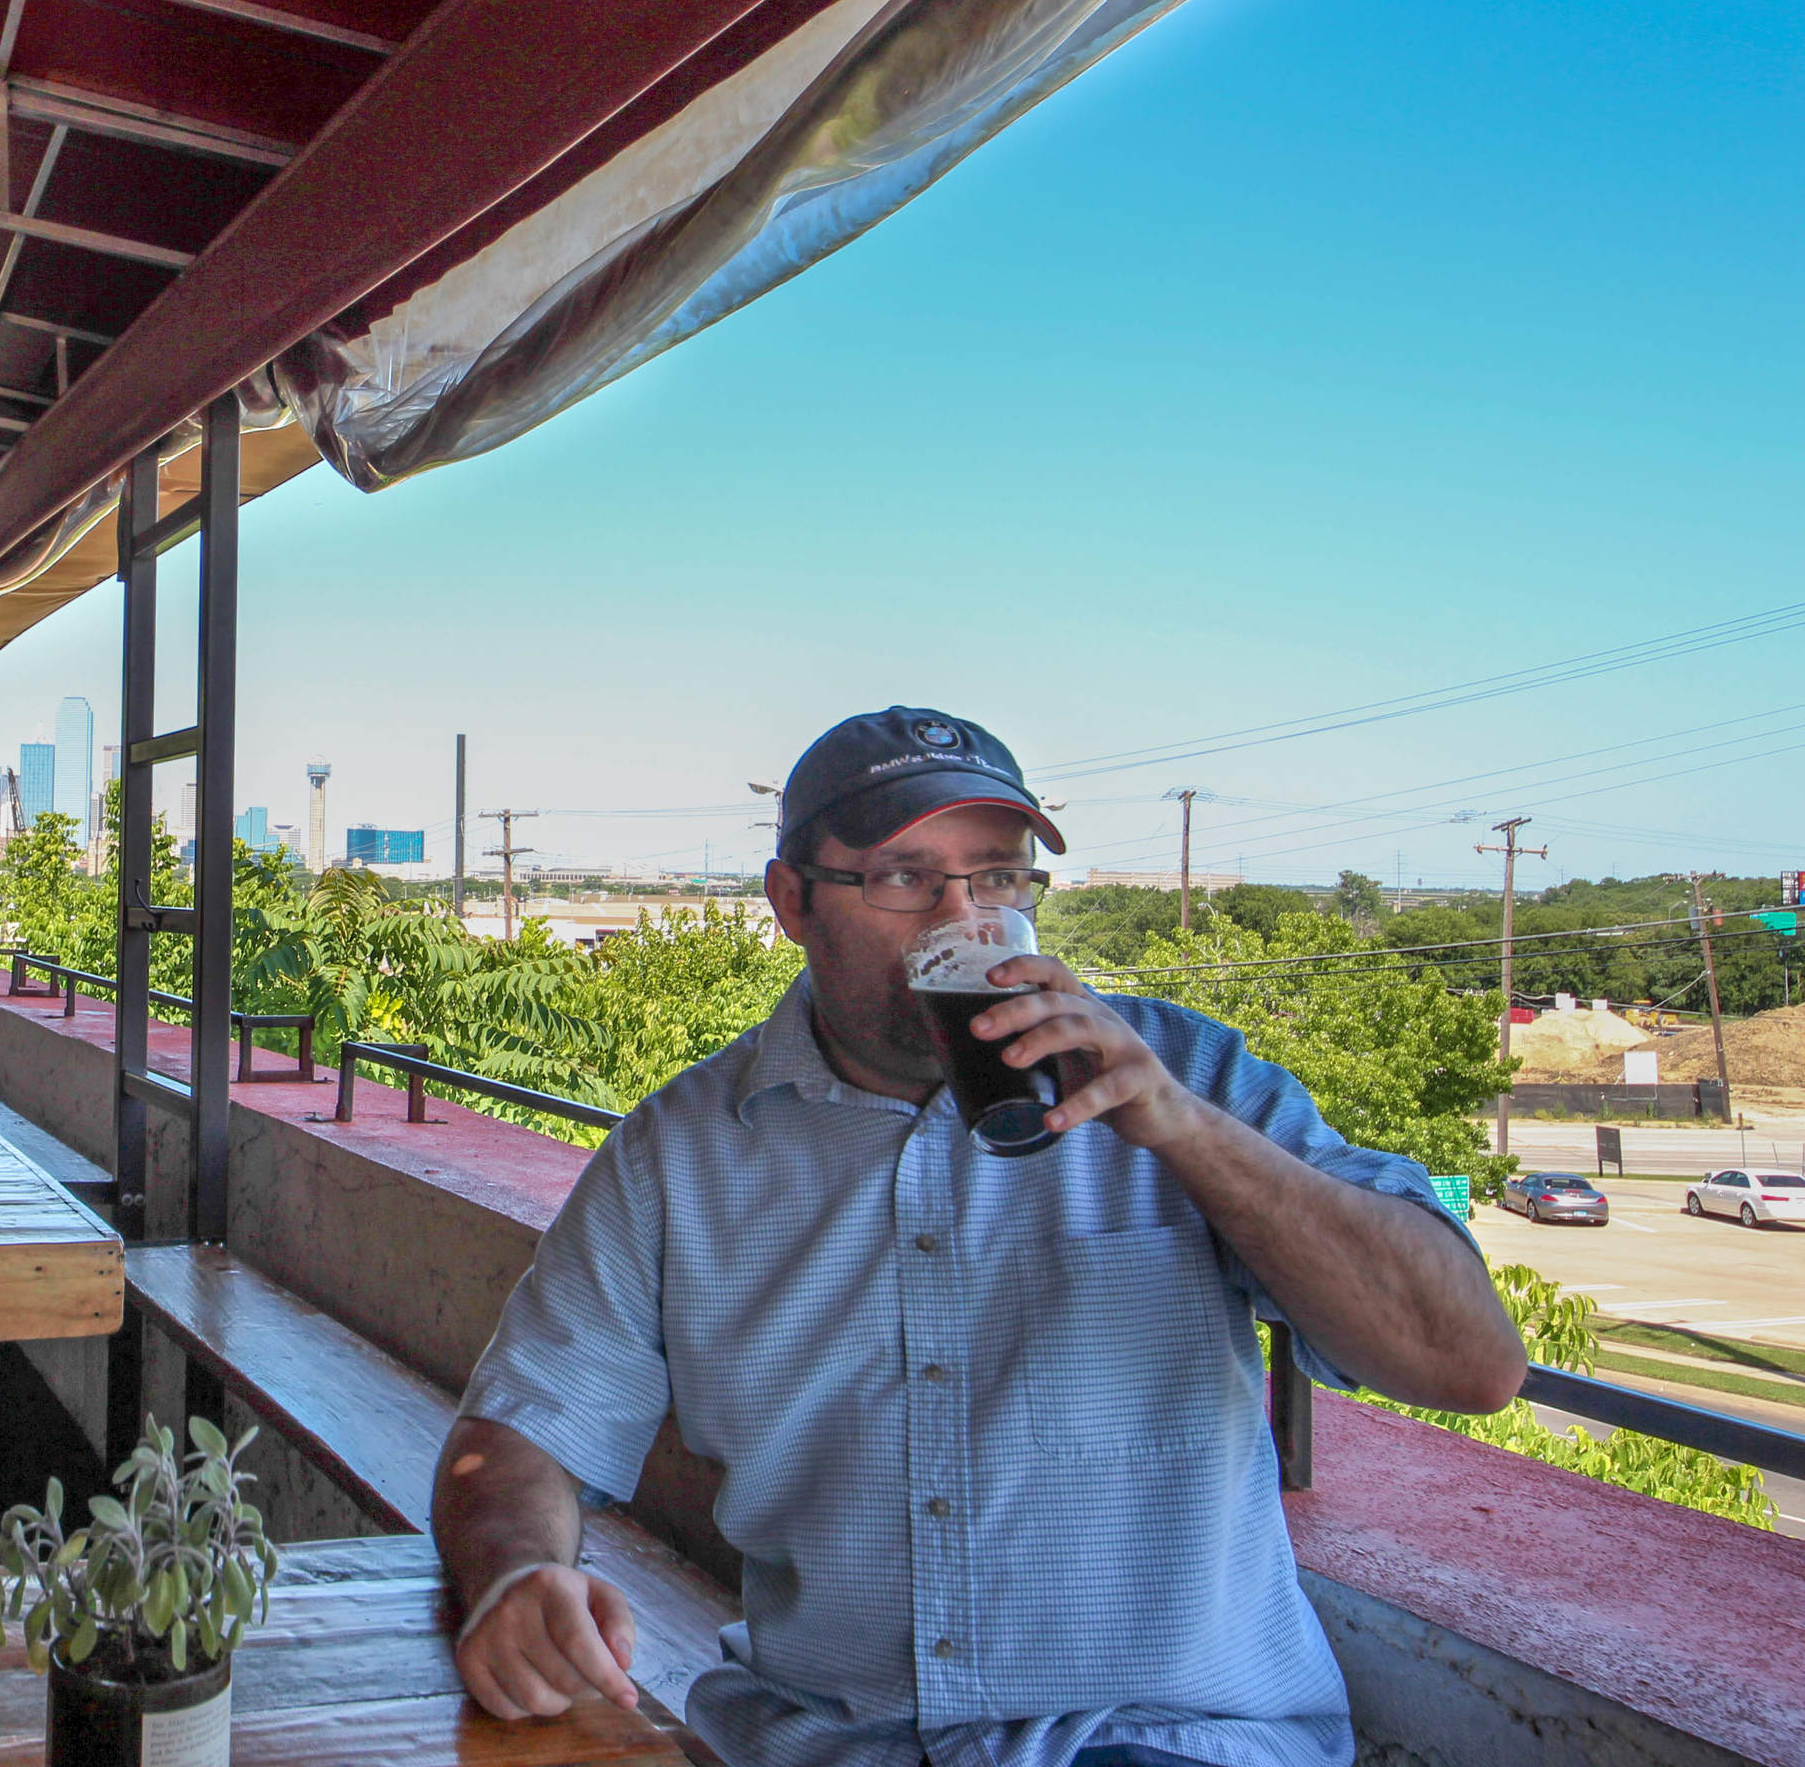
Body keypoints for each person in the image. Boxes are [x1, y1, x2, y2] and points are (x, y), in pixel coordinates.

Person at [433, 707, 1527, 1767]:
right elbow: (519, 1434)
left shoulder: (1188, 1078)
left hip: (1161, 1737)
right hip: (830, 1741)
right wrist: (516, 1577)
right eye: (904, 878)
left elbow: (1470, 1365)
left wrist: (1185, 1134)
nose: (962, 921)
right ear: (792, 902)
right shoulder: (683, 1150)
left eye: (998, 878)